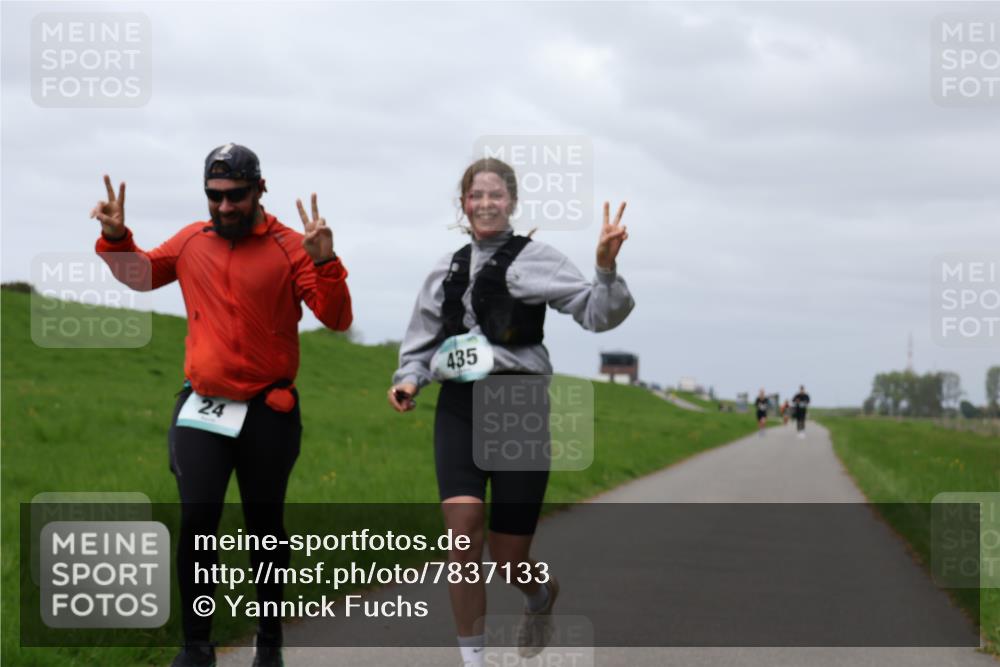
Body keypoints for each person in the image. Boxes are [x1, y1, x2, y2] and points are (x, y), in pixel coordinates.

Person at [91, 143, 353, 667]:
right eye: (214, 196)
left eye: (235, 196)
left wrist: (324, 261)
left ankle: (270, 644)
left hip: (267, 410)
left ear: (260, 189)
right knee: (198, 519)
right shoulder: (193, 240)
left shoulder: (289, 246)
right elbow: (141, 274)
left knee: (264, 526)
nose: (224, 207)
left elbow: (337, 317)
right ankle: (196, 647)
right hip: (204, 409)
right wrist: (117, 238)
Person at [386, 158, 634, 667]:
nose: (485, 204)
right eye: (475, 195)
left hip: (518, 405)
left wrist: (605, 268)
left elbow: (598, 313)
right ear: (463, 204)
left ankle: (540, 597)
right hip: (459, 405)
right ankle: (473, 660)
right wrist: (409, 379)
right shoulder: (445, 269)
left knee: (507, 558)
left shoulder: (538, 260)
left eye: (495, 195)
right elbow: (420, 344)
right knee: (462, 531)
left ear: (512, 203)